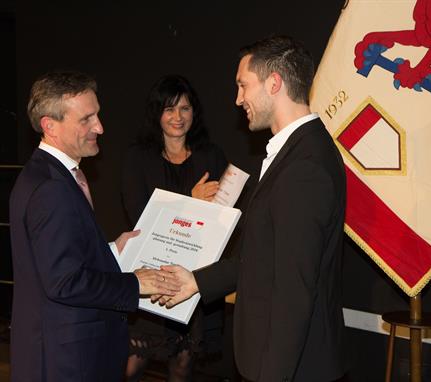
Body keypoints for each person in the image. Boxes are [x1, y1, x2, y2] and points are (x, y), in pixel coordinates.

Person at [159, 36, 349, 381]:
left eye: (243, 86)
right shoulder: (295, 152)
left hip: (291, 368)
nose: (238, 99)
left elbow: (294, 292)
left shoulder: (304, 166)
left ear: (273, 83)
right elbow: (263, 259)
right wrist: (197, 282)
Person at [9, 71, 178, 382]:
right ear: (50, 125)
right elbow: (64, 282)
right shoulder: (51, 188)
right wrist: (136, 284)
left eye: (97, 115)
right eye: (86, 119)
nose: (99, 127)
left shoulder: (48, 175)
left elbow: (55, 261)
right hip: (68, 362)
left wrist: (112, 250)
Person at [121, 74, 228, 381]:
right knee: (131, 367)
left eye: (185, 108)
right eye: (169, 109)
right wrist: (192, 201)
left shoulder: (212, 155)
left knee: (182, 368)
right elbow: (141, 217)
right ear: (157, 114)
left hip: (194, 277)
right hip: (152, 275)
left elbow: (220, 221)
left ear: (194, 113)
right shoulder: (137, 158)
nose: (178, 117)